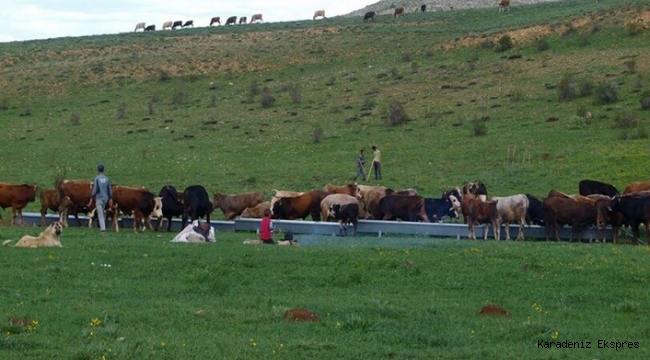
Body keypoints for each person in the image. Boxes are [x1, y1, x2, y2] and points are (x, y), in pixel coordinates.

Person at [90, 164, 112, 234]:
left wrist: (92, 195)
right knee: (102, 212)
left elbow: (95, 189)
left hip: (99, 198)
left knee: (100, 213)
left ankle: (103, 229)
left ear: (98, 170)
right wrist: (110, 198)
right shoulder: (107, 179)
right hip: (105, 199)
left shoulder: (97, 178)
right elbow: (109, 189)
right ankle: (103, 226)